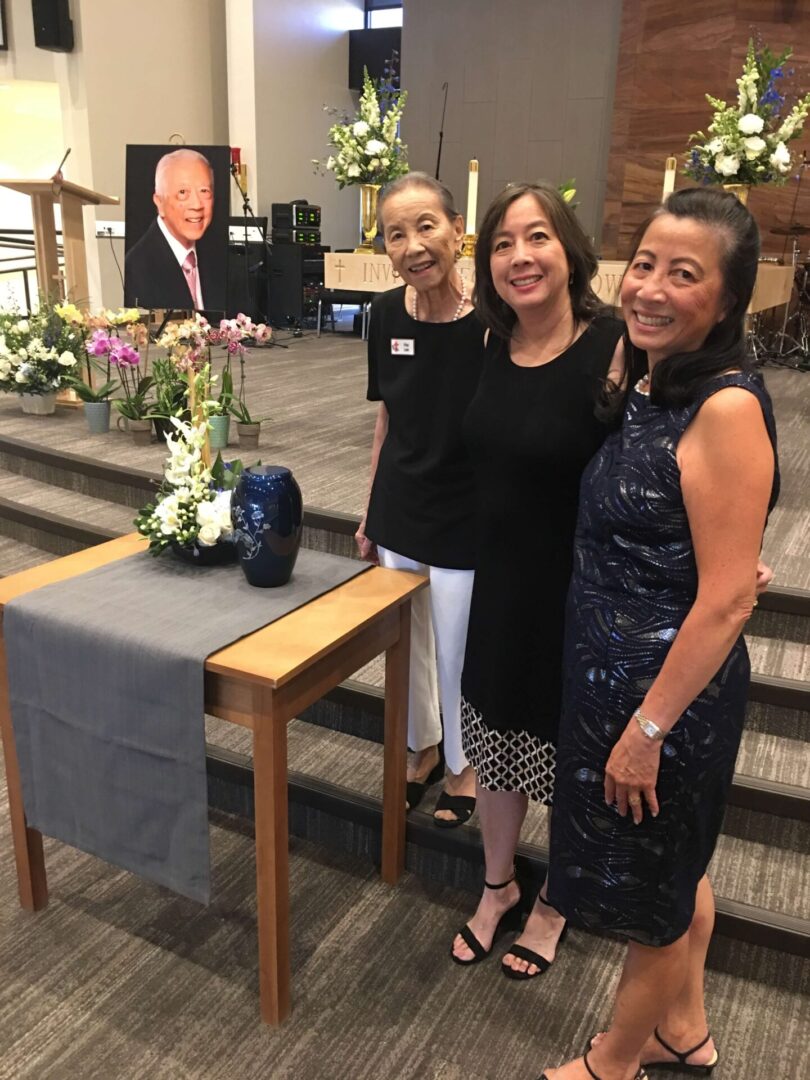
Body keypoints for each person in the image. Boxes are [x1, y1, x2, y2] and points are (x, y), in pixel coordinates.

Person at [540, 188, 779, 1080]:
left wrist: (646, 733)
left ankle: (612, 1064)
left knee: (654, 900)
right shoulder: (647, 378)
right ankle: (687, 1031)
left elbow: (724, 601)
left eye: (685, 275)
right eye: (644, 263)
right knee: (679, 872)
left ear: (727, 300)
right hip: (615, 687)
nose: (650, 288)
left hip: (665, 707)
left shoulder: (723, 407)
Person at [450, 182, 625, 970]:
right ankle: (498, 887)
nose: (520, 257)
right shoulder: (495, 342)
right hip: (502, 583)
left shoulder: (617, 343)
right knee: (495, 740)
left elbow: (682, 447)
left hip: (580, 593)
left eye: (538, 238)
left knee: (567, 751)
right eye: (501, 244)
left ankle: (554, 897)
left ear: (569, 250)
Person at [356, 172, 483, 827]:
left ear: (458, 232)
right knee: (407, 642)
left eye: (426, 226)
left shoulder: (491, 323)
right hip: (402, 507)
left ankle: (465, 766)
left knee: (459, 643)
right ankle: (421, 750)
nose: (412, 245)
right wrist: (370, 507)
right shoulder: (382, 316)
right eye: (395, 233)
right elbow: (387, 419)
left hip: (466, 512)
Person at [125, 148, 221, 311]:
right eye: (183, 193)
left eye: (204, 191)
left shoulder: (217, 255)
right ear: (159, 202)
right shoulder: (136, 268)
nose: (197, 205)